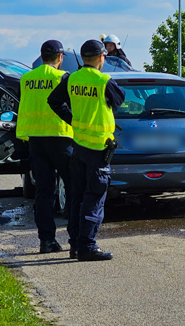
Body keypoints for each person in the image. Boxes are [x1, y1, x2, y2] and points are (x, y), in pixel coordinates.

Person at [48, 39, 126, 261]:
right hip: (98, 150)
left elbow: (54, 101)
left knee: (76, 198)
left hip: (79, 146)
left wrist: (72, 120)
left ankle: (75, 244)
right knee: (94, 199)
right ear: (102, 57)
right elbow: (120, 99)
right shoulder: (104, 81)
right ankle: (87, 246)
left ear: (83, 58)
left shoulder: (72, 78)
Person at [17, 40, 74, 254]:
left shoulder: (26, 78)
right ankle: (76, 238)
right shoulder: (63, 77)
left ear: (41, 57)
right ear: (60, 58)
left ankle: (47, 241)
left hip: (35, 141)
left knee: (43, 192)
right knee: (72, 188)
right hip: (61, 138)